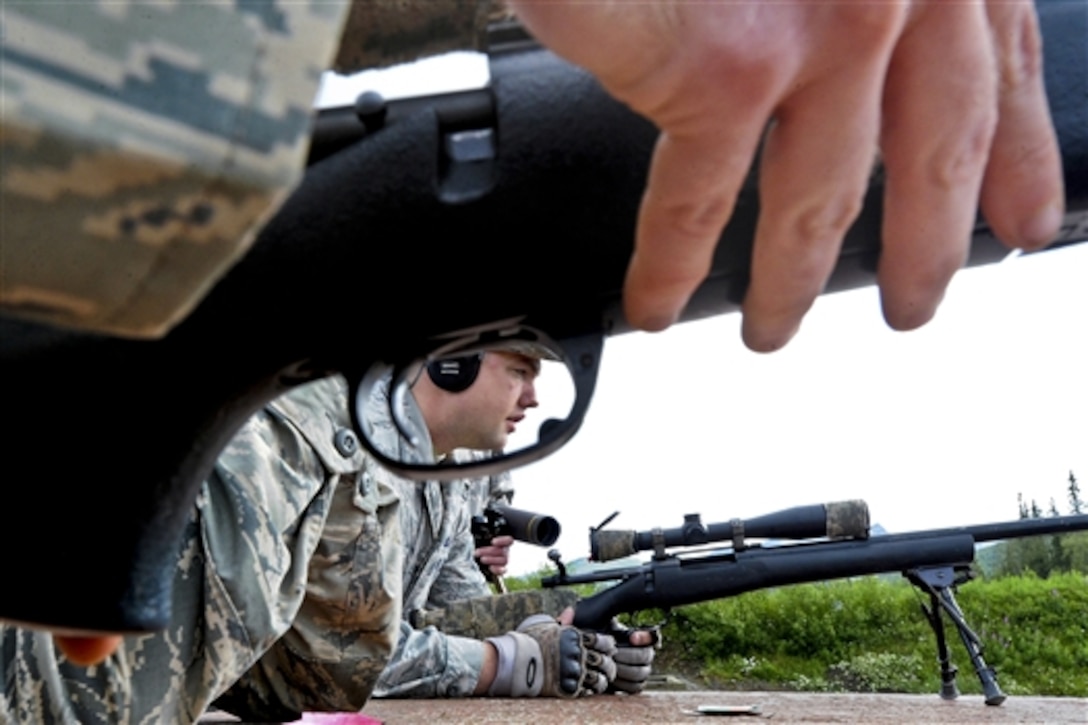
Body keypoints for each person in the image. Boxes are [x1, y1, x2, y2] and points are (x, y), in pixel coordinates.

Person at [5, 0, 1068, 667]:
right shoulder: (322, 423)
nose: (529, 397)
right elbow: (338, 656)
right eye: (515, 362)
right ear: (448, 352)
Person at [361, 345, 657, 699]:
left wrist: (583, 645)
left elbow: (461, 612)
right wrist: (508, 663)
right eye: (519, 372)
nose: (533, 399)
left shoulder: (452, 470)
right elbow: (345, 650)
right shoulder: (356, 450)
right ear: (452, 363)